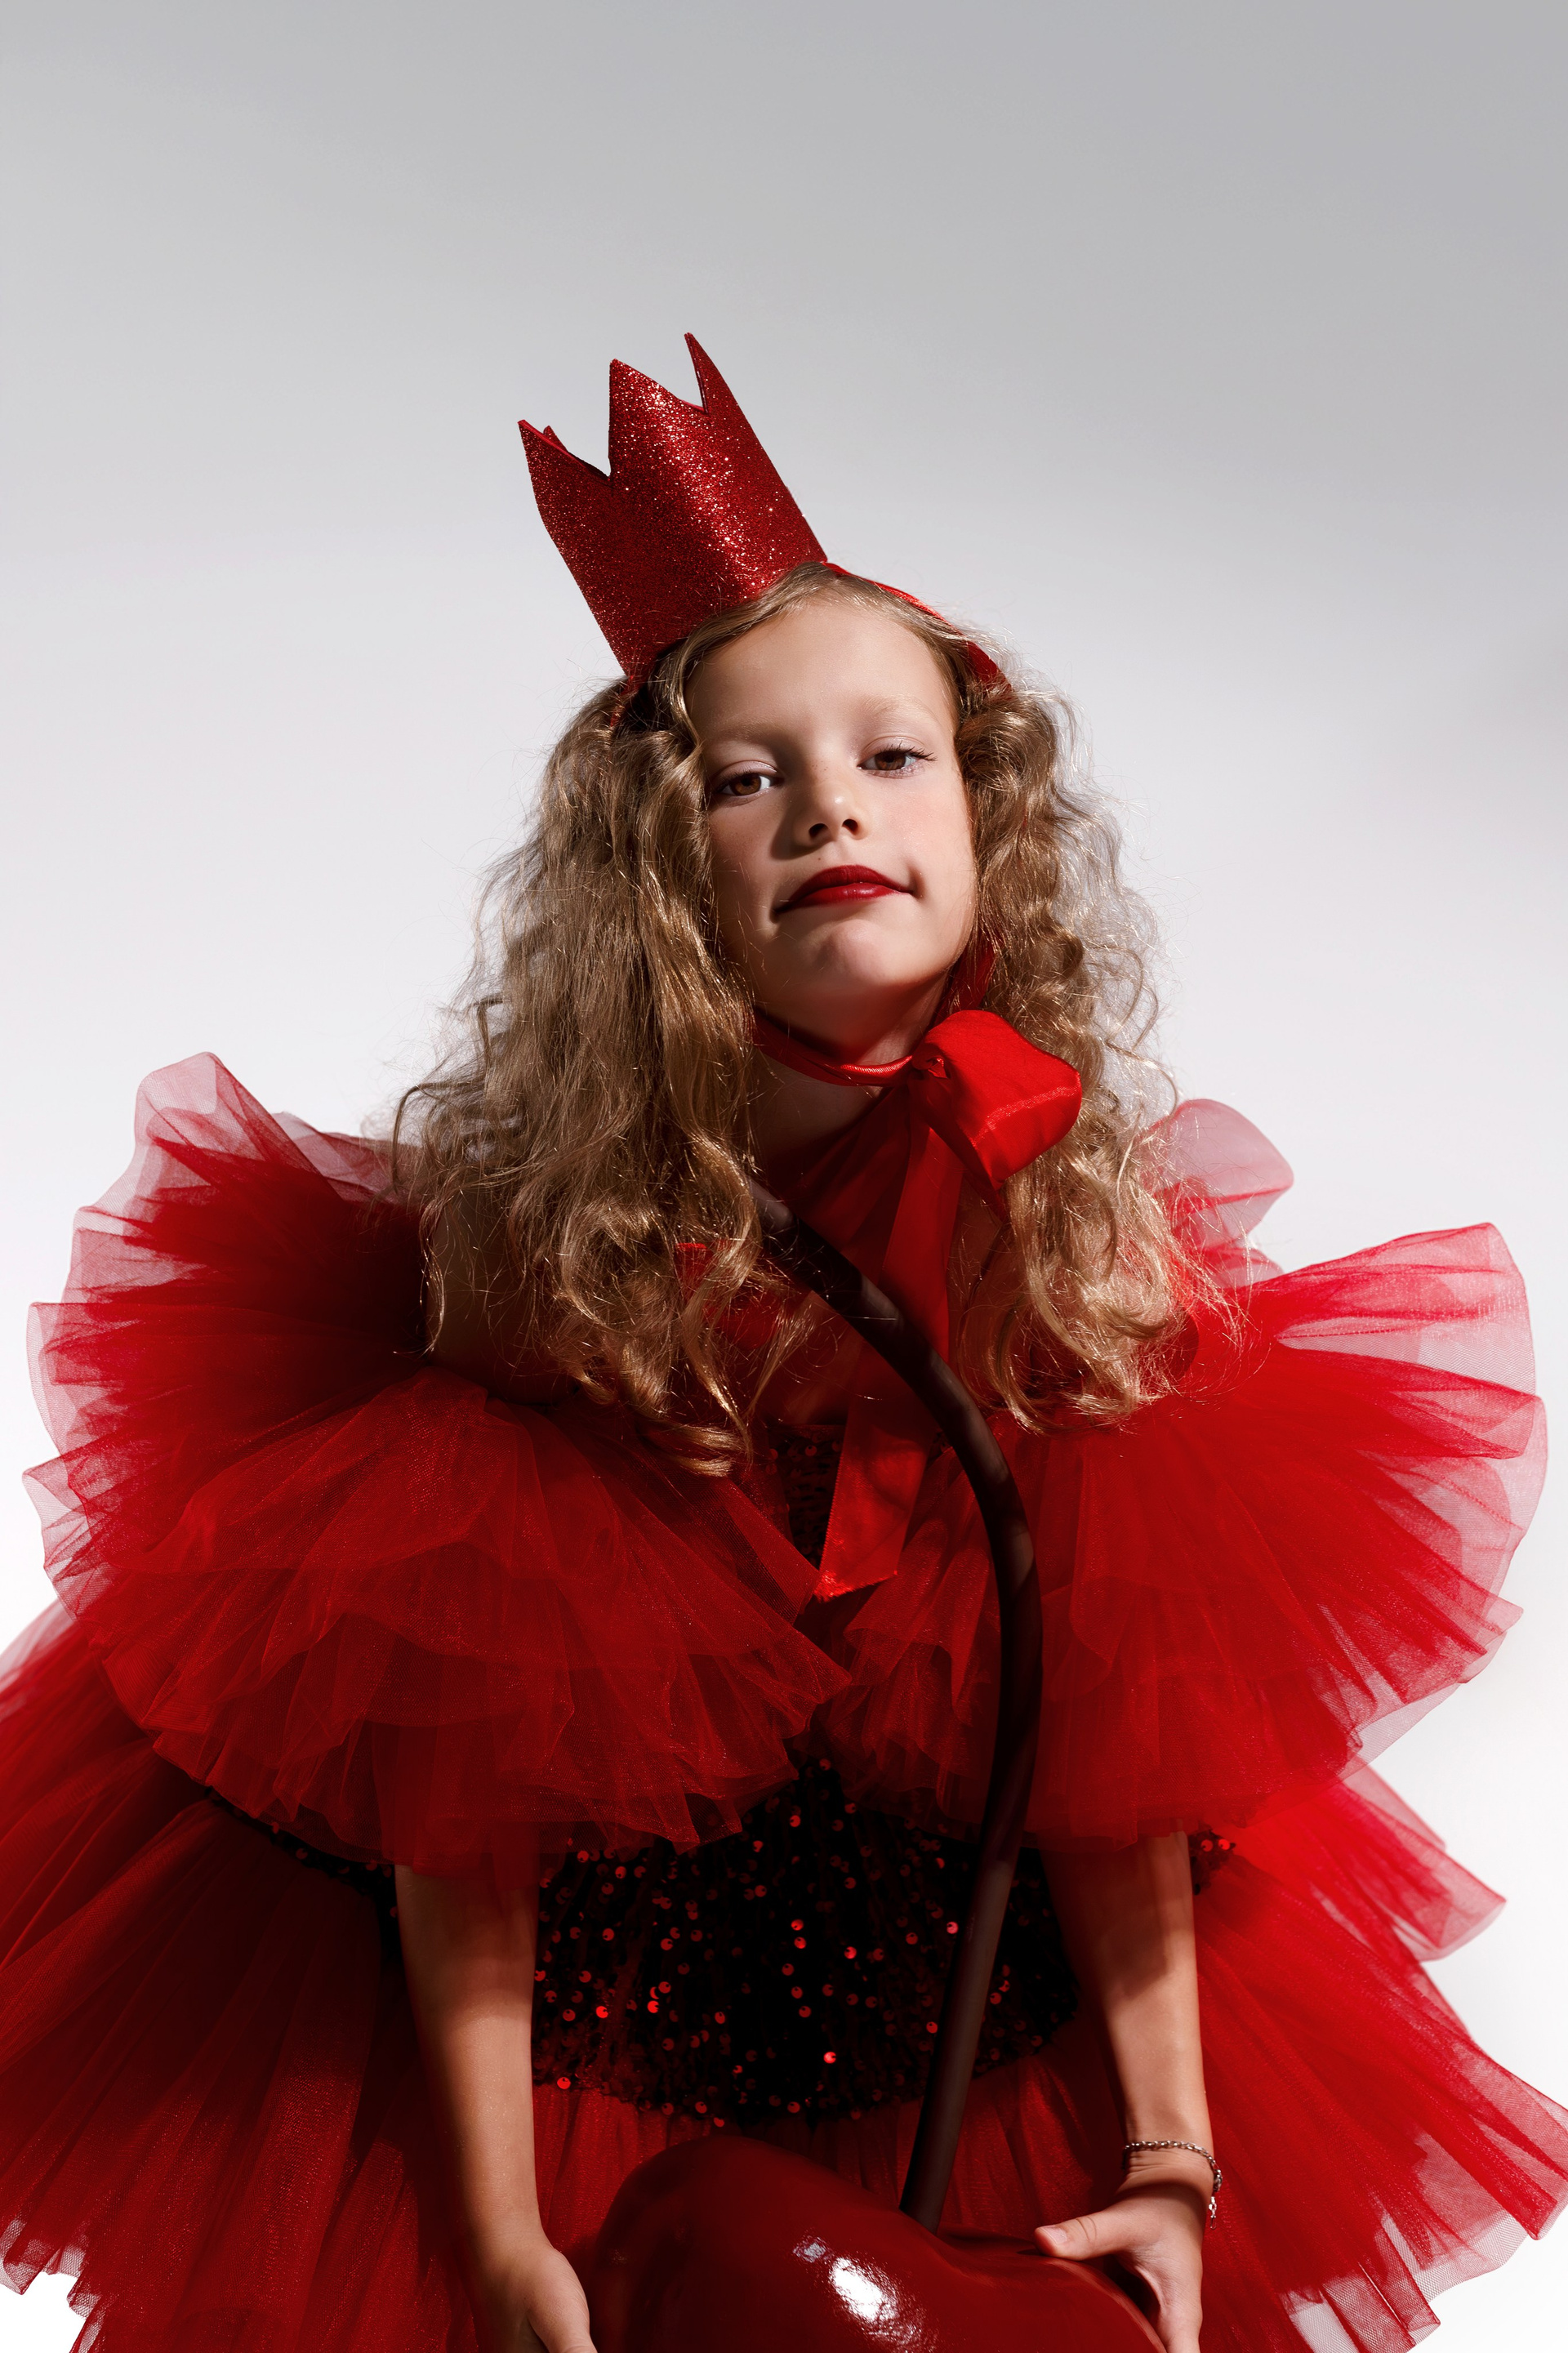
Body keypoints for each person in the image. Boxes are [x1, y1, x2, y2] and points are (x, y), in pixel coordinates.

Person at [2, 338, 1563, 2353]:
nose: (832, 803)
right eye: (752, 778)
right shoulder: (561, 1261)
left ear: (989, 815)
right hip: (581, 2041)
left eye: (892, 756)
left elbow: (1114, 1758)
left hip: (953, 2027)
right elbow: (458, 1802)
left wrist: (1172, 2150)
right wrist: (499, 2235)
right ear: (661, 874)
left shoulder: (1053, 1233)